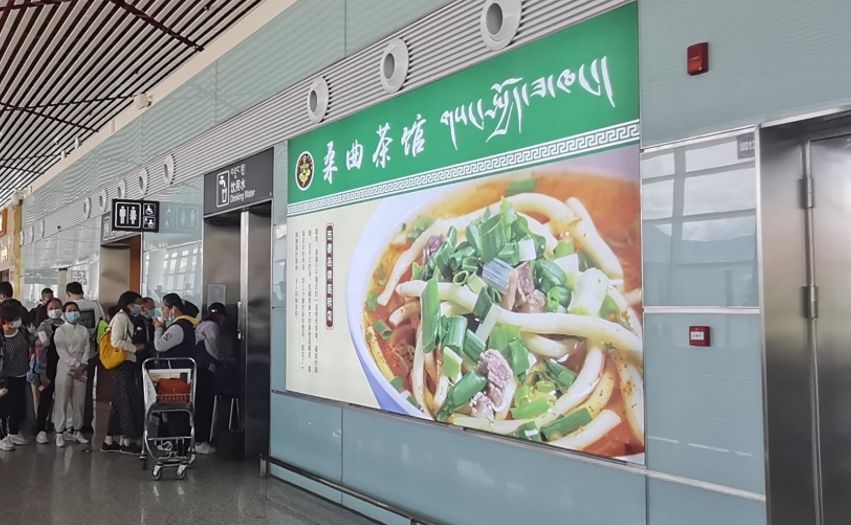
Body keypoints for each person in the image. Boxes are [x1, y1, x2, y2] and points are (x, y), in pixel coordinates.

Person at [101, 291, 144, 454]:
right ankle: (127, 440)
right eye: (137, 303)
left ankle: (109, 439)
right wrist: (134, 348)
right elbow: (115, 341)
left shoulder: (126, 317)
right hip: (122, 363)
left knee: (119, 401)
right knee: (127, 400)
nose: (139, 306)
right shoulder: (121, 318)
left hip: (125, 363)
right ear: (128, 304)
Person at [66, 281, 104, 434]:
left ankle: (72, 423)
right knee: (87, 389)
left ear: (68, 293)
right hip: (92, 353)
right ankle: (87, 422)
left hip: (73, 355)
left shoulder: (69, 307)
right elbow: (102, 325)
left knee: (71, 389)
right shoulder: (95, 305)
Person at [53, 302, 91, 447]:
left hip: (82, 367)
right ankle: (59, 432)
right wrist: (75, 365)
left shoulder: (83, 330)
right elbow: (62, 351)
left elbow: (87, 347)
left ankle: (76, 430)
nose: (73, 313)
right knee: (62, 400)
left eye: (75, 310)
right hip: (65, 367)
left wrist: (83, 364)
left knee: (79, 401)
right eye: (70, 310)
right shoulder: (60, 330)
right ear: (64, 313)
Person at [192, 303, 227, 455]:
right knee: (205, 406)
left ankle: (196, 439)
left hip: (197, 369)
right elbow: (214, 349)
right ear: (219, 315)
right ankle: (201, 441)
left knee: (199, 404)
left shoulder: (201, 324)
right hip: (206, 370)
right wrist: (223, 361)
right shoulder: (213, 326)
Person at [30, 298, 64, 445]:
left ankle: (61, 429)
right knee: (45, 398)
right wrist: (42, 373)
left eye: (57, 307)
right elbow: (39, 351)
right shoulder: (44, 326)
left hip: (63, 366)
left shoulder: (66, 325)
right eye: (51, 308)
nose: (55, 310)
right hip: (48, 367)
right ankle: (40, 429)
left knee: (62, 399)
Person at [0, 302, 33, 449]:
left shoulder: (23, 331)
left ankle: (13, 431)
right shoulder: (2, 336)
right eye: (13, 319)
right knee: (3, 407)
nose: (17, 321)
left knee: (17, 403)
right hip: (5, 376)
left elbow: (31, 342)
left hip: (21, 373)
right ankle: (2, 436)